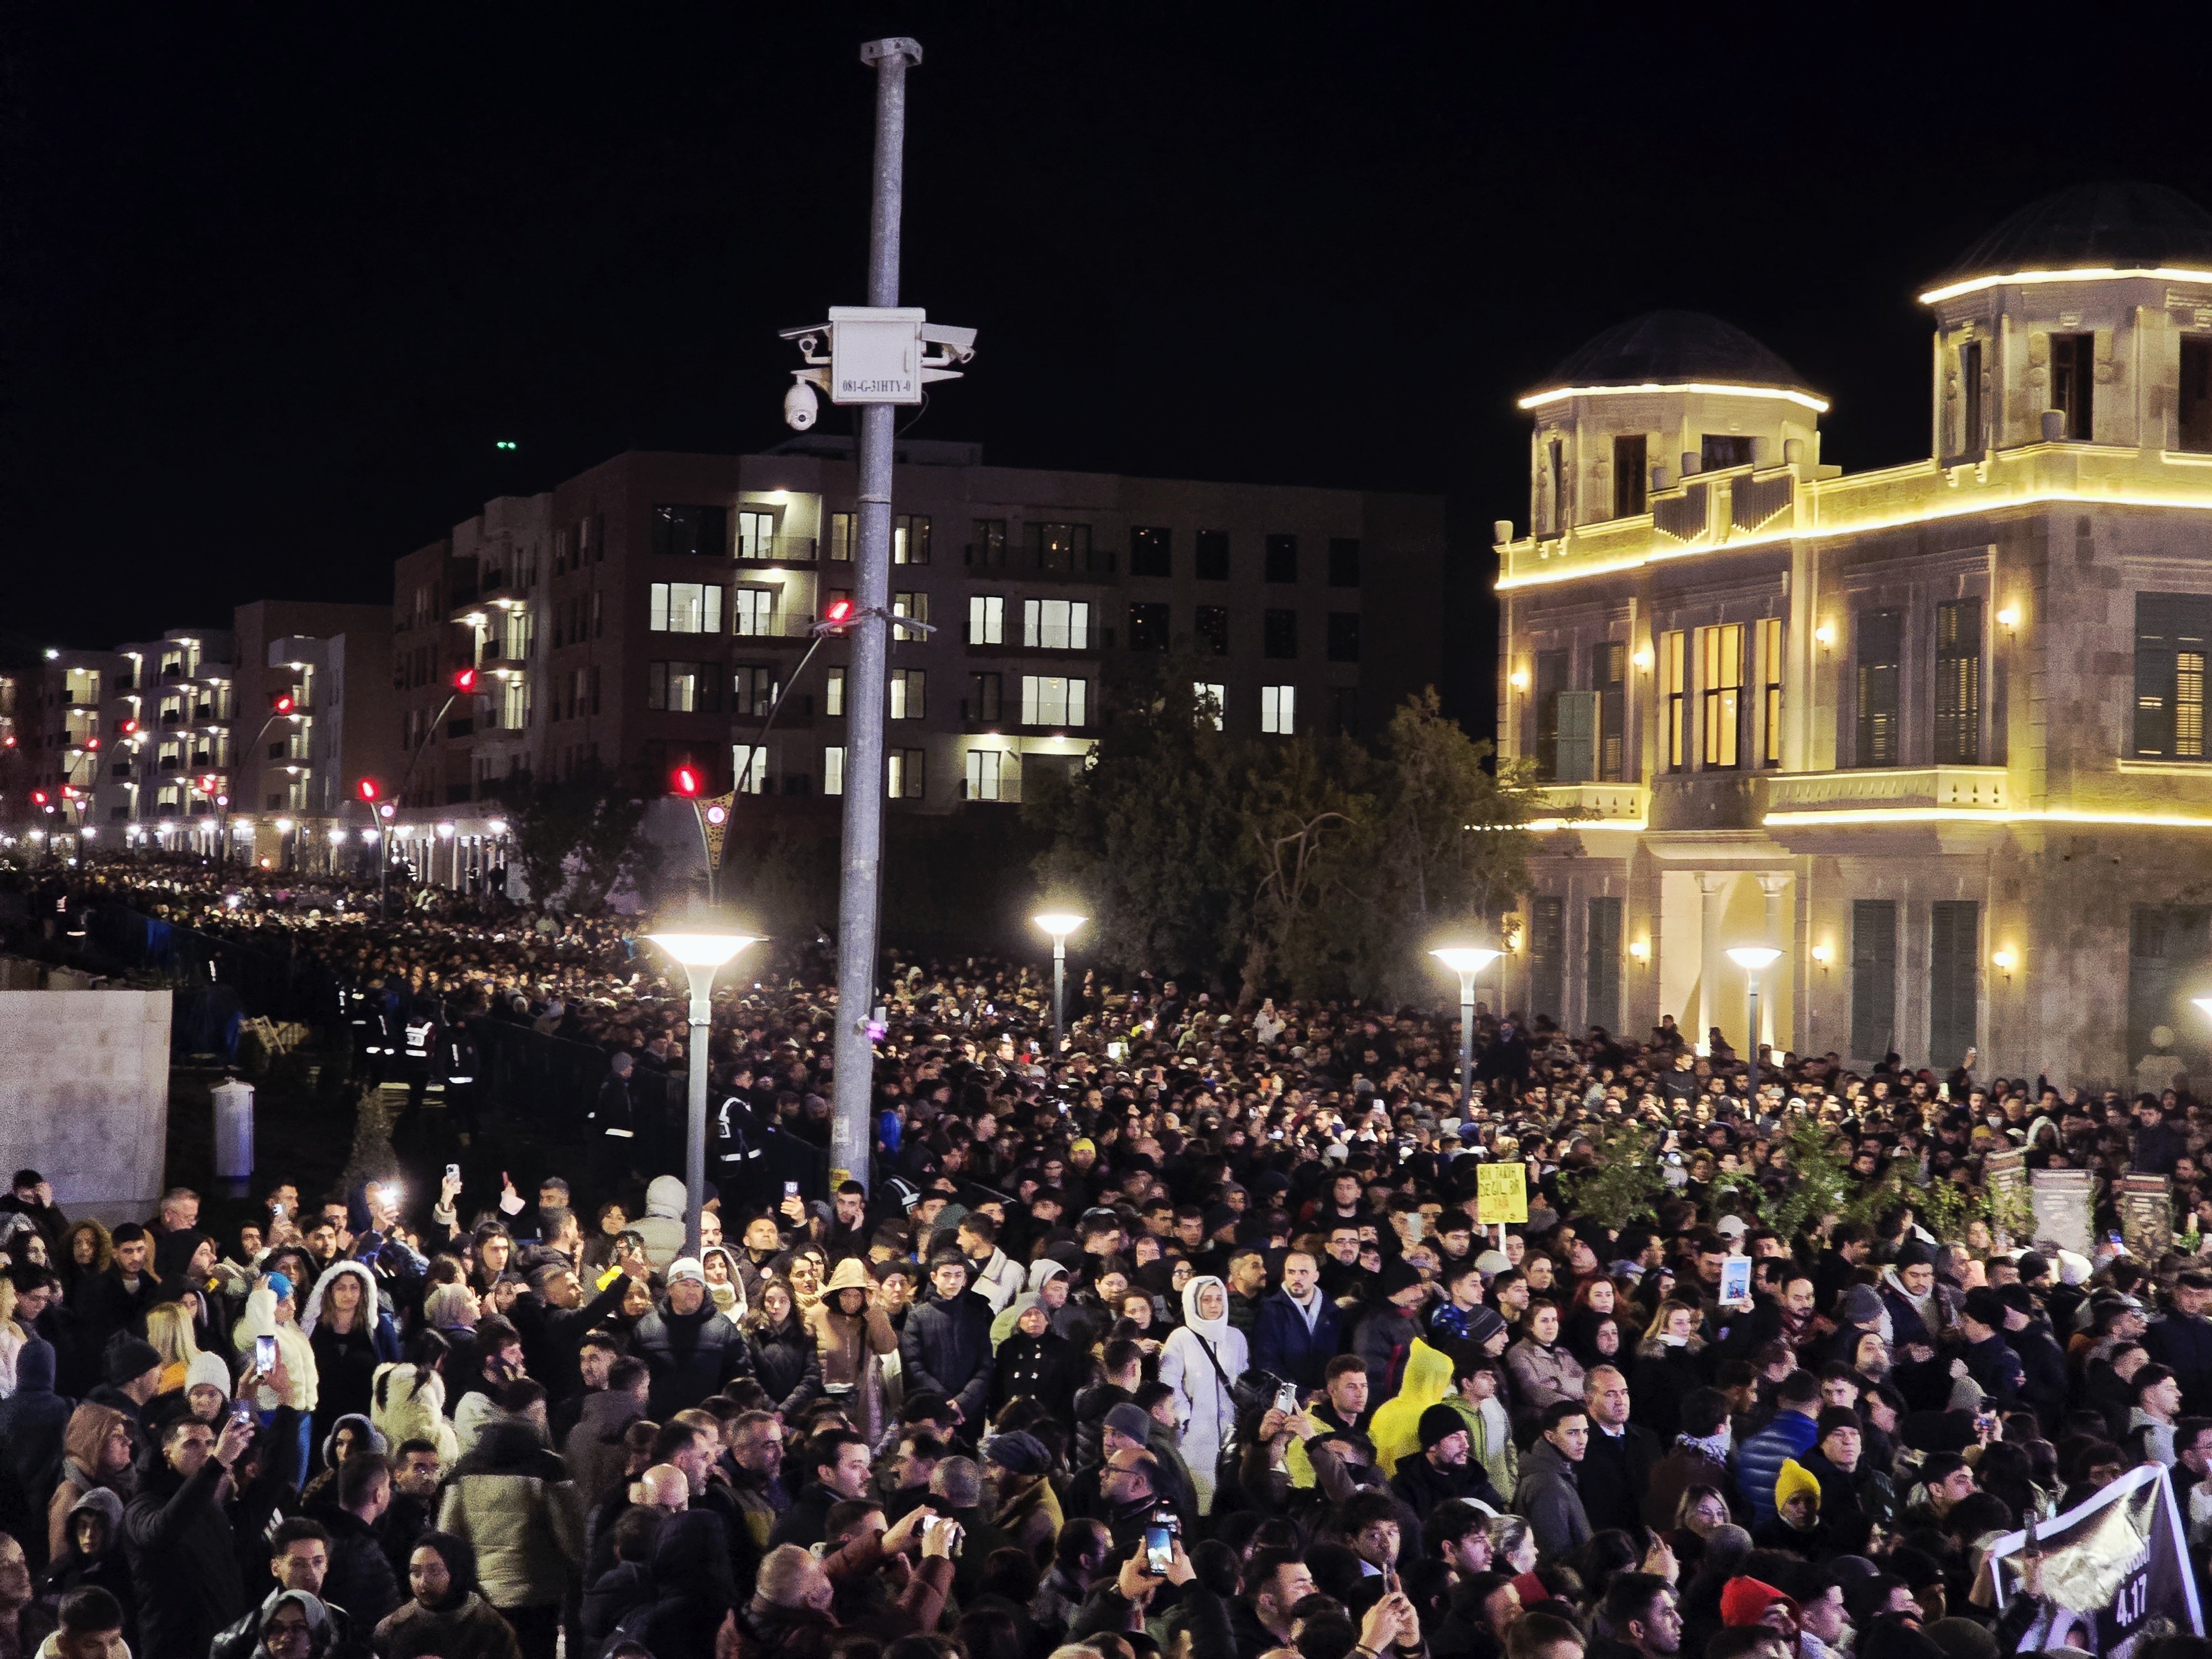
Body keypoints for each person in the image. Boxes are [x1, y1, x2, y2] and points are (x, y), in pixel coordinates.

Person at [434, 1419, 582, 1659]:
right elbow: (569, 1537)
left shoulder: (463, 1474)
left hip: (483, 1592)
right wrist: (577, 1567)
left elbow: (447, 1536)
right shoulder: (548, 1471)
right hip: (538, 1595)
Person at [122, 1411, 254, 1659]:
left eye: (210, 1444)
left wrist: (291, 1412)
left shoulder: (213, 1509)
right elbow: (163, 1530)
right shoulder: (141, 1507)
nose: (206, 1452)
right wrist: (215, 1465)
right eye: (191, 1444)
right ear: (167, 1455)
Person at [371, 1532, 522, 1659]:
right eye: (415, 1572)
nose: (423, 1582)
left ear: (457, 1571)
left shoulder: (492, 1628)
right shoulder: (392, 1629)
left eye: (435, 1571)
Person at [1511, 1399, 1593, 1560]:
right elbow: (1556, 1555)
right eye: (1572, 1433)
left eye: (1585, 1432)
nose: (1582, 1440)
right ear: (1550, 1436)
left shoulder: (1557, 1473)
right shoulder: (1547, 1484)